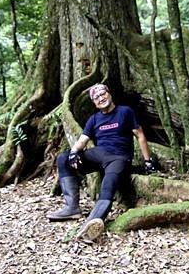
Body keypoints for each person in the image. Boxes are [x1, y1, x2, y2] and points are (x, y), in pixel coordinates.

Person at [46, 83, 156, 242]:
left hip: (119, 157)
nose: (101, 98)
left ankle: (92, 223)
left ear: (109, 94)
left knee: (108, 185)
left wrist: (148, 162)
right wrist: (73, 153)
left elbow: (140, 136)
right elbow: (82, 140)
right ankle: (72, 208)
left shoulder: (125, 112)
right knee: (63, 158)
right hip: (99, 154)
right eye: (96, 97)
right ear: (94, 103)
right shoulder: (94, 119)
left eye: (102, 94)